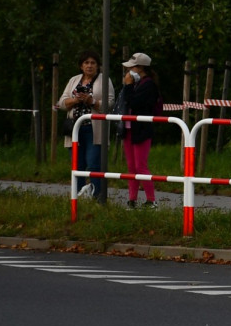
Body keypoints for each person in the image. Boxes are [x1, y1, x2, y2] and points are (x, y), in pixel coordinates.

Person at [57, 50, 115, 199]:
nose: (89, 66)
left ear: (98, 66)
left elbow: (109, 104)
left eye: (93, 63)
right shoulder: (74, 80)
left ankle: (97, 196)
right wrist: (75, 100)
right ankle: (78, 196)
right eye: (86, 63)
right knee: (77, 164)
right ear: (81, 66)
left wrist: (92, 101)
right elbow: (61, 103)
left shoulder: (104, 80)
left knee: (93, 163)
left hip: (94, 129)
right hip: (74, 129)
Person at [118, 52, 162, 209]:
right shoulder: (136, 84)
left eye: (131, 68)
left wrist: (128, 85)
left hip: (142, 129)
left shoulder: (148, 85)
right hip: (129, 128)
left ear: (141, 68)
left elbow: (134, 103)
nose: (128, 72)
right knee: (131, 167)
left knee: (140, 166)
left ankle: (151, 199)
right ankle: (132, 199)